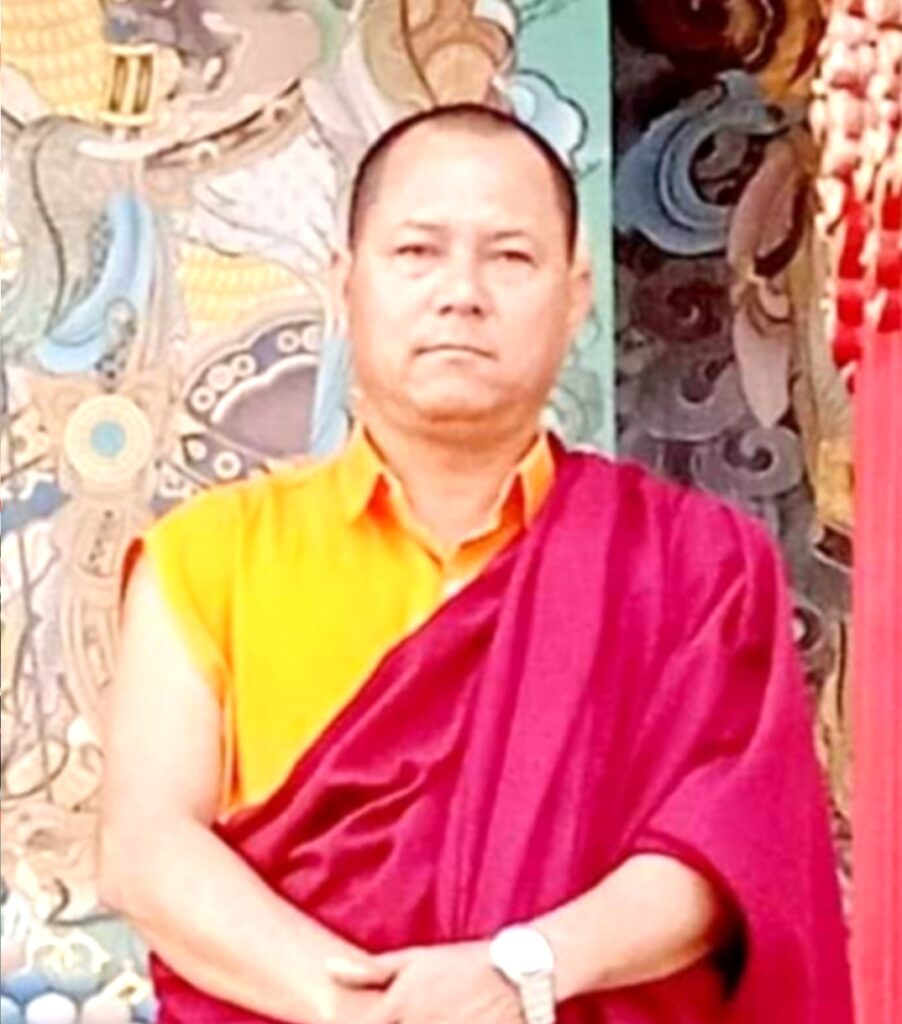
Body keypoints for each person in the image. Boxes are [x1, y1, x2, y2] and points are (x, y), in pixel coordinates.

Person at [99, 105, 854, 1024]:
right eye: (417, 251)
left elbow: (730, 846)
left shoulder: (693, 563)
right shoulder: (208, 557)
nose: (461, 292)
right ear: (345, 283)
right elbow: (147, 847)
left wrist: (524, 969)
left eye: (510, 257)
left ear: (575, 295)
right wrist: (369, 1010)